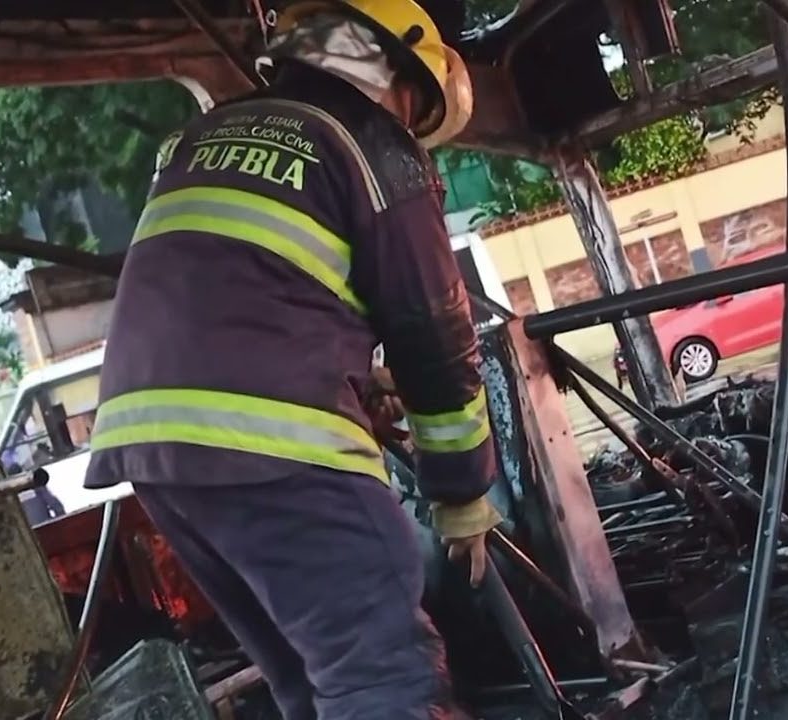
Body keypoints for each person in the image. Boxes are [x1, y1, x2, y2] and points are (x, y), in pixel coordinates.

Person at [83, 0, 498, 716]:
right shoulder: (372, 145)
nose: (408, 125)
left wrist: (350, 379)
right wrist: (462, 495)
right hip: (272, 444)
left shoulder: (200, 137)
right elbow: (432, 333)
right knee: (382, 676)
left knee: (308, 682)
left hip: (151, 447)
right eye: (414, 106)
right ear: (396, 70)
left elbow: (246, 292)